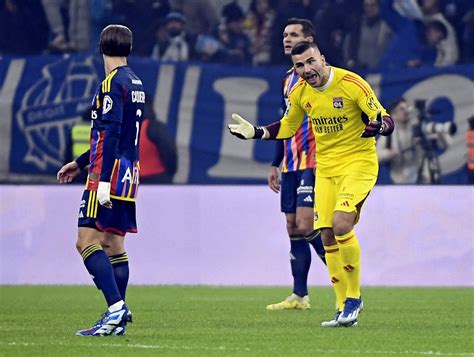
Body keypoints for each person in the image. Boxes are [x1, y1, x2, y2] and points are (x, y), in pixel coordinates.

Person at [228, 41, 394, 327]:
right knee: (326, 234)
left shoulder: (352, 83)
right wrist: (256, 132)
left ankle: (354, 298)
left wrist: (378, 126)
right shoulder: (299, 92)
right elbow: (288, 126)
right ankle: (343, 307)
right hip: (326, 169)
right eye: (299, 66)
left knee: (342, 224)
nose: (307, 69)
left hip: (358, 164)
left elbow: (385, 119)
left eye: (310, 62)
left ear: (322, 59)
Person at [56, 24, 145, 336]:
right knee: (113, 243)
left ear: (101, 47)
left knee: (86, 241)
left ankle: (116, 309)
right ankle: (116, 316)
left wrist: (101, 179)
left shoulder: (111, 84)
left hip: (106, 173)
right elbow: (115, 135)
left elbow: (111, 133)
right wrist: (79, 162)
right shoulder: (135, 82)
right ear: (129, 48)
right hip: (130, 173)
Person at [265, 18, 326, 311]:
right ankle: (300, 295)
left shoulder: (316, 74)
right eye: (285, 35)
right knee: (292, 227)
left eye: (294, 34)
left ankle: (344, 275)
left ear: (309, 39)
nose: (287, 39)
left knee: (305, 223)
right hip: (290, 161)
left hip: (312, 160)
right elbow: (285, 123)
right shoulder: (288, 78)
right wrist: (275, 162)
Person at [376, 98, 419, 184]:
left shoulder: (415, 130)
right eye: (402, 109)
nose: (406, 112)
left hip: (416, 178)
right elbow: (376, 154)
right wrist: (388, 154)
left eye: (407, 108)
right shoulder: (388, 134)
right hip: (396, 179)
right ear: (393, 114)